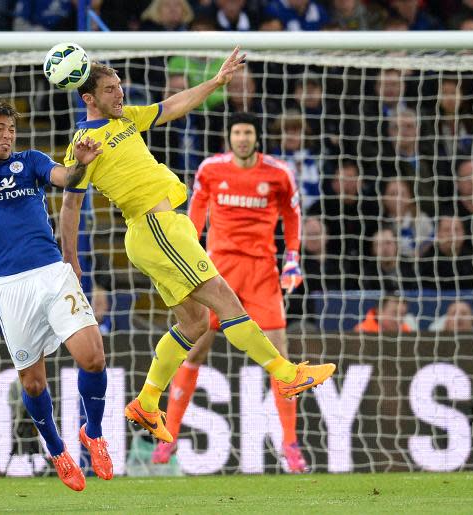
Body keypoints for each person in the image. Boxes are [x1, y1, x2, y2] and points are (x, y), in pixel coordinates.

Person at [60, 50, 336, 445]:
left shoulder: (126, 119)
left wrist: (216, 82)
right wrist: (71, 258)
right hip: (155, 227)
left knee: (194, 323)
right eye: (109, 89)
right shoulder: (84, 144)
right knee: (224, 300)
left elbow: (171, 105)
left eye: (120, 86)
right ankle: (288, 375)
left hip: (165, 227)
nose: (119, 94)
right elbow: (71, 201)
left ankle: (147, 400)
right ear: (88, 98)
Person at [0, 98, 111, 491]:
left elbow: (65, 178)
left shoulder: (31, 160)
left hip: (53, 274)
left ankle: (95, 432)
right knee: (33, 384)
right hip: (9, 285)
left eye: (12, 129)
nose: (8, 135)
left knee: (93, 357)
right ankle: (58, 450)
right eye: (0, 128)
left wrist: (82, 164)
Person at [150, 112, 308, 472]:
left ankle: (290, 445)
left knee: (279, 357)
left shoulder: (279, 173)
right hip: (217, 271)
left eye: (247, 132)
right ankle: (168, 438)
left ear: (256, 137)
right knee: (194, 350)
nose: (241, 138)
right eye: (236, 132)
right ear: (229, 136)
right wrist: (187, 254)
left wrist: (293, 259)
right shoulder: (210, 170)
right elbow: (195, 214)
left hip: (262, 273)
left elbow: (292, 215)